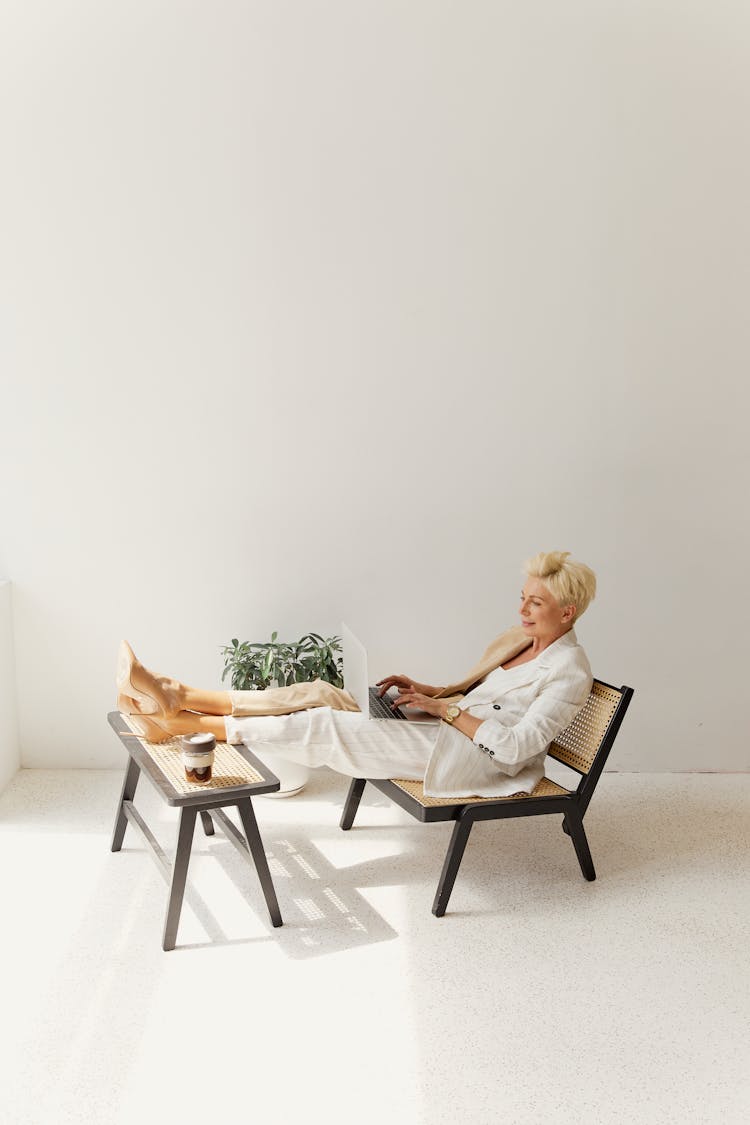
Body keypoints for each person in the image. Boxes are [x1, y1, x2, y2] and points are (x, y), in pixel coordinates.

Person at [117, 551, 596, 799]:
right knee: (323, 692)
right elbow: (476, 693)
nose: (523, 608)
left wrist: (443, 710)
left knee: (323, 723)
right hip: (443, 727)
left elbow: (514, 747)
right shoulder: (520, 639)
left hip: (469, 759)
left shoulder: (569, 671)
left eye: (537, 602)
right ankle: (180, 695)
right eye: (523, 596)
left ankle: (180, 725)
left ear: (568, 612)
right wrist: (427, 692)